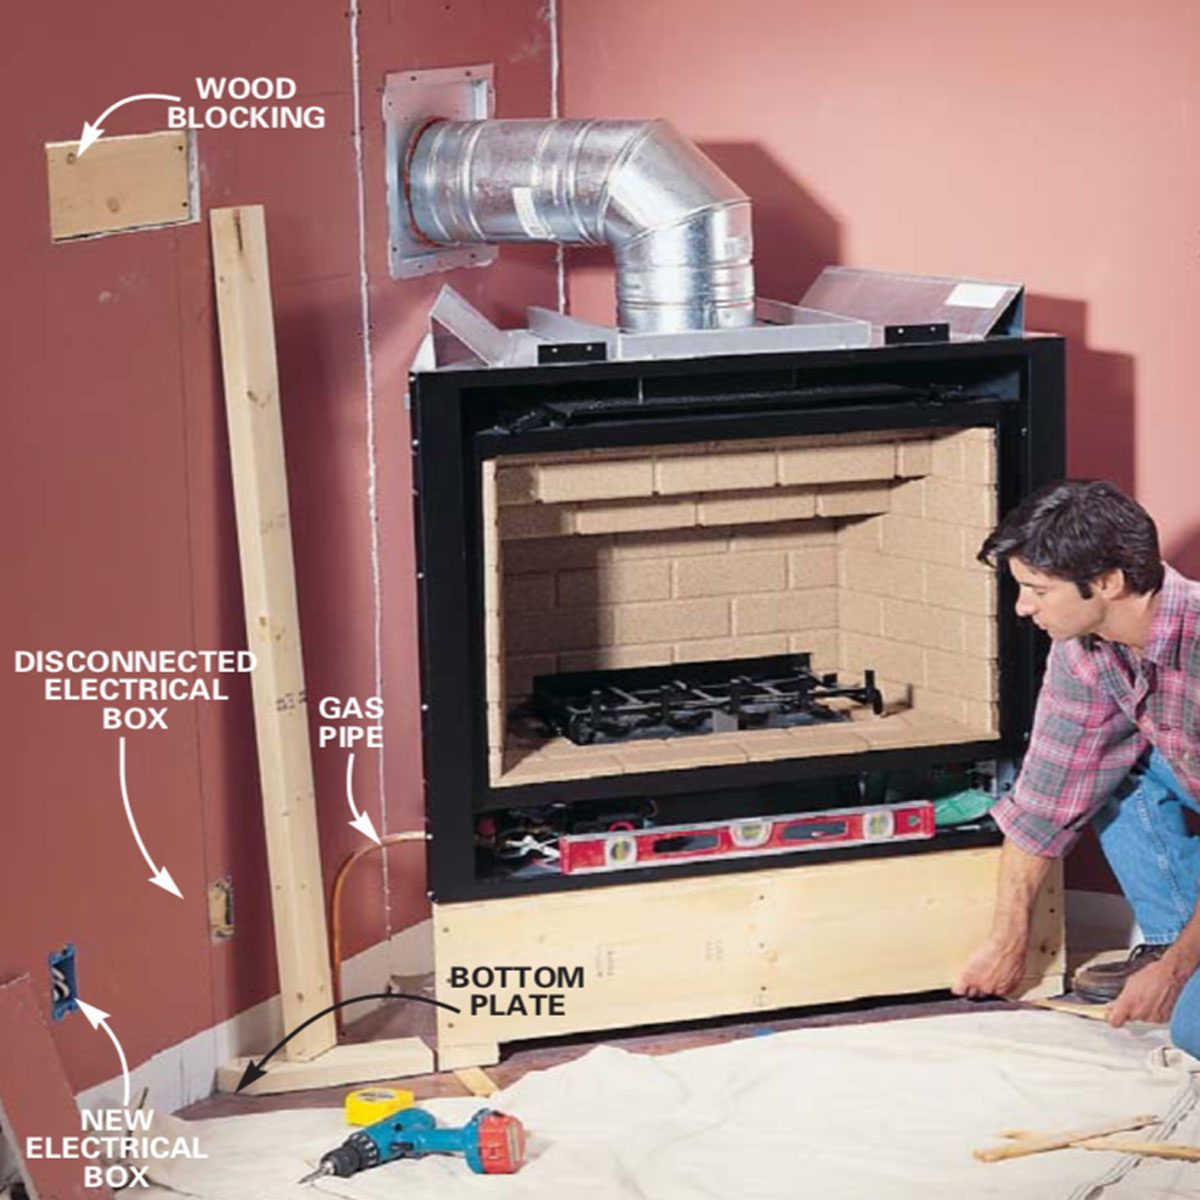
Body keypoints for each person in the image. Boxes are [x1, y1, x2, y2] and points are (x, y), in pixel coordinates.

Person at [951, 480, 1200, 1057]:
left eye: (1038, 590)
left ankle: (1179, 967)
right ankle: (1173, 944)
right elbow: (1047, 794)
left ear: (1109, 582)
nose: (1022, 607)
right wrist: (1008, 940)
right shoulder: (1086, 647)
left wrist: (1175, 974)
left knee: (1192, 1032)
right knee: (1110, 764)